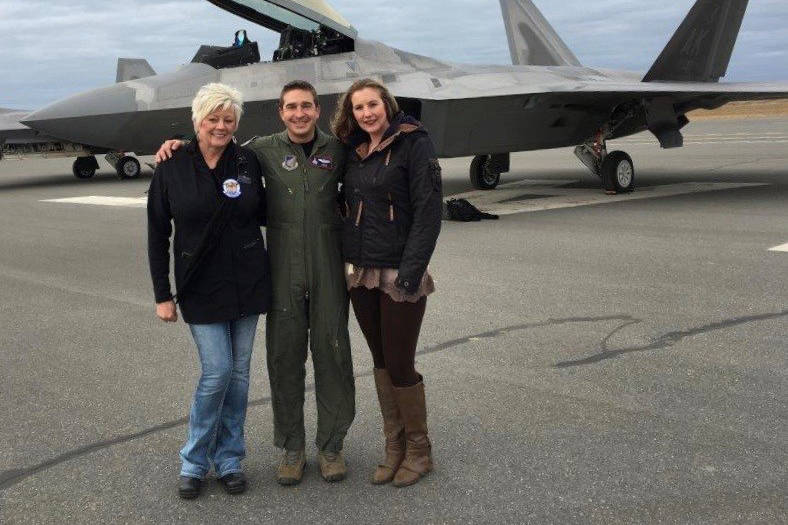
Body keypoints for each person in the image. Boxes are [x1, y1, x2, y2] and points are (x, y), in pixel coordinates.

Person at [155, 81, 354, 486]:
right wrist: (174, 143)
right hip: (253, 275)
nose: (299, 114)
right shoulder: (259, 150)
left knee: (330, 355)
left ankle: (328, 447)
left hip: (299, 273)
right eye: (291, 107)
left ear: (318, 110)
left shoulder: (332, 151)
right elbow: (160, 228)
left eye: (306, 107)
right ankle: (289, 448)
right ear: (280, 112)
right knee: (271, 361)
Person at [147, 83, 271, 499]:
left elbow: (272, 210)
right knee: (217, 372)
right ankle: (195, 461)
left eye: (228, 119)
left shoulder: (248, 160)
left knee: (238, 377)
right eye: (212, 118)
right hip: (200, 285)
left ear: (236, 123)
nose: (221, 126)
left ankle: (231, 459)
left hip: (249, 283)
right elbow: (157, 233)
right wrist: (162, 294)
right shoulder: (172, 165)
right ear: (198, 120)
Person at [332, 78, 442, 487]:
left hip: (399, 271)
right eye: (358, 108)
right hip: (361, 272)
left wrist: (411, 275)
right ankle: (393, 445)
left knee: (400, 362)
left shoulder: (414, 143)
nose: (366, 113)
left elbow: (429, 213)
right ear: (351, 114)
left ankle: (419, 449)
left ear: (387, 105)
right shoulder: (352, 151)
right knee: (380, 361)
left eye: (372, 105)